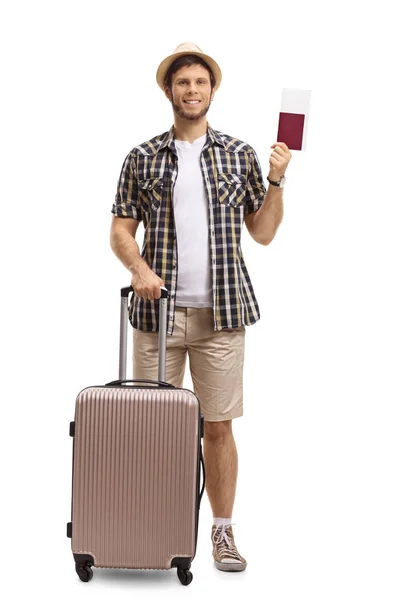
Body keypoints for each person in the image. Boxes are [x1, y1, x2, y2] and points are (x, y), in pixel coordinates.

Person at [110, 42, 292, 572]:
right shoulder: (142, 156)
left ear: (213, 90)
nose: (192, 91)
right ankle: (154, 527)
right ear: (169, 91)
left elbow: (262, 234)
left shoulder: (238, 154)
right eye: (183, 83)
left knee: (217, 426)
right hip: (157, 320)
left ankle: (222, 532)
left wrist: (277, 180)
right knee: (152, 427)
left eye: (201, 83)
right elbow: (121, 229)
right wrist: (140, 270)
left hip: (222, 317)